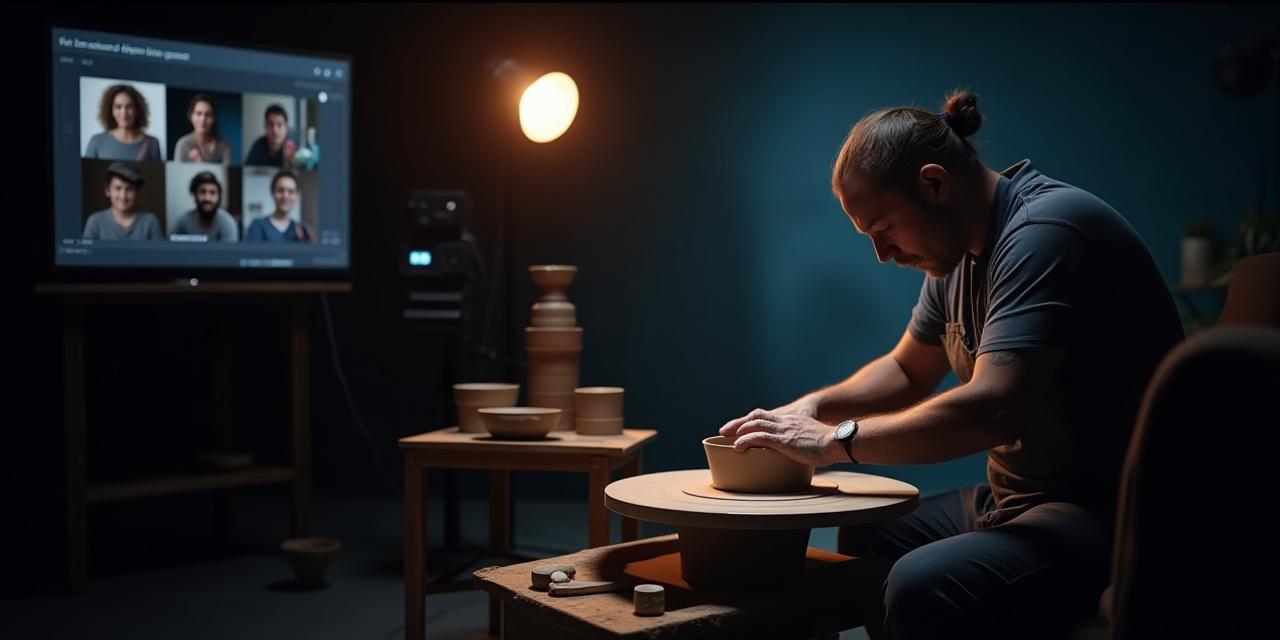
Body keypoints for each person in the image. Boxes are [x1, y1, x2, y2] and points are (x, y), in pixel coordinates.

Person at [719, 91, 1183, 640]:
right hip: (1020, 499)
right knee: (869, 538)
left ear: (934, 183)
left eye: (883, 228)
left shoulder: (1044, 234)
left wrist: (831, 441)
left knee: (920, 583)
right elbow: (906, 370)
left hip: (1109, 514)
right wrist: (812, 407)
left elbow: (994, 408)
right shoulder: (959, 254)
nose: (882, 254)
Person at [82, 162, 164, 240]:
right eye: (118, 188)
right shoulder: (95, 222)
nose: (123, 196)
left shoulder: (151, 221)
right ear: (107, 190)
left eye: (129, 189)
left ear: (137, 191)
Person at [83, 84, 163, 162]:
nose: (124, 112)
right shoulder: (97, 141)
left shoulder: (152, 143)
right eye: (118, 107)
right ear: (111, 111)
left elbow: (156, 175)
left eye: (129, 107)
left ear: (137, 110)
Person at [244, 170, 313, 242]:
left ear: (297, 195)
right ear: (273, 193)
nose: (285, 196)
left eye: (291, 191)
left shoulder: (304, 230)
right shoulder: (257, 226)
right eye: (280, 190)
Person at [170, 171, 239, 242]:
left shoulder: (228, 223)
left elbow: (227, 252)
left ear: (219, 196)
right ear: (194, 195)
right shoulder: (183, 222)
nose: (207, 198)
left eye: (212, 193)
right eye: (202, 192)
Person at [173, 94, 232, 165]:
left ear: (214, 118)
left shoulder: (224, 145)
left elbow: (227, 175)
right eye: (198, 113)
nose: (203, 119)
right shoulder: (183, 144)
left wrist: (200, 163)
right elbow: (178, 174)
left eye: (208, 115)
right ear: (191, 116)